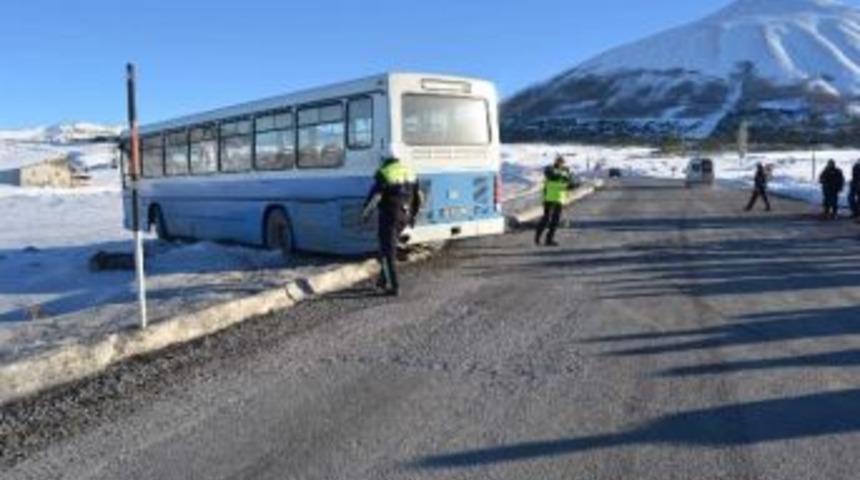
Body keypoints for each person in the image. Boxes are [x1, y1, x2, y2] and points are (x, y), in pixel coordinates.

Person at [362, 156, 422, 296]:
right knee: (389, 246)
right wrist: (413, 216)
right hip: (405, 216)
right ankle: (382, 281)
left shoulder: (384, 173)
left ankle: (392, 285)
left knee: (386, 252)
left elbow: (375, 198)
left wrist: (365, 214)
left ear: (385, 163)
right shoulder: (410, 172)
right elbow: (419, 197)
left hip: (390, 216)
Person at [535, 155, 577, 247]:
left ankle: (549, 239)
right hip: (549, 196)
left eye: (562, 162)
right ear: (556, 161)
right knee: (546, 218)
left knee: (555, 220)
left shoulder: (566, 171)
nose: (561, 163)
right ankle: (537, 237)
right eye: (559, 161)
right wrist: (564, 177)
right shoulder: (550, 169)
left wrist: (572, 185)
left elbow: (570, 182)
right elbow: (552, 176)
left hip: (559, 197)